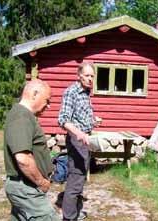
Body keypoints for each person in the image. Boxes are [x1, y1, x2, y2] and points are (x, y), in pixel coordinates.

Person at [4, 79, 60, 220]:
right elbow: (23, 159)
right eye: (47, 100)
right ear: (35, 94)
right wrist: (42, 182)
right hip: (26, 188)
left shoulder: (24, 115)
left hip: (25, 186)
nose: (48, 106)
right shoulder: (21, 116)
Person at [58, 63, 100, 221]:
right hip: (77, 140)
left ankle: (75, 211)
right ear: (79, 75)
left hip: (84, 139)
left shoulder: (86, 92)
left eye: (92, 76)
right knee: (76, 177)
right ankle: (68, 217)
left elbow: (79, 117)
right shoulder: (71, 92)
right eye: (87, 75)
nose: (90, 79)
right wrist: (80, 134)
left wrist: (93, 121)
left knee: (80, 177)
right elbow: (63, 120)